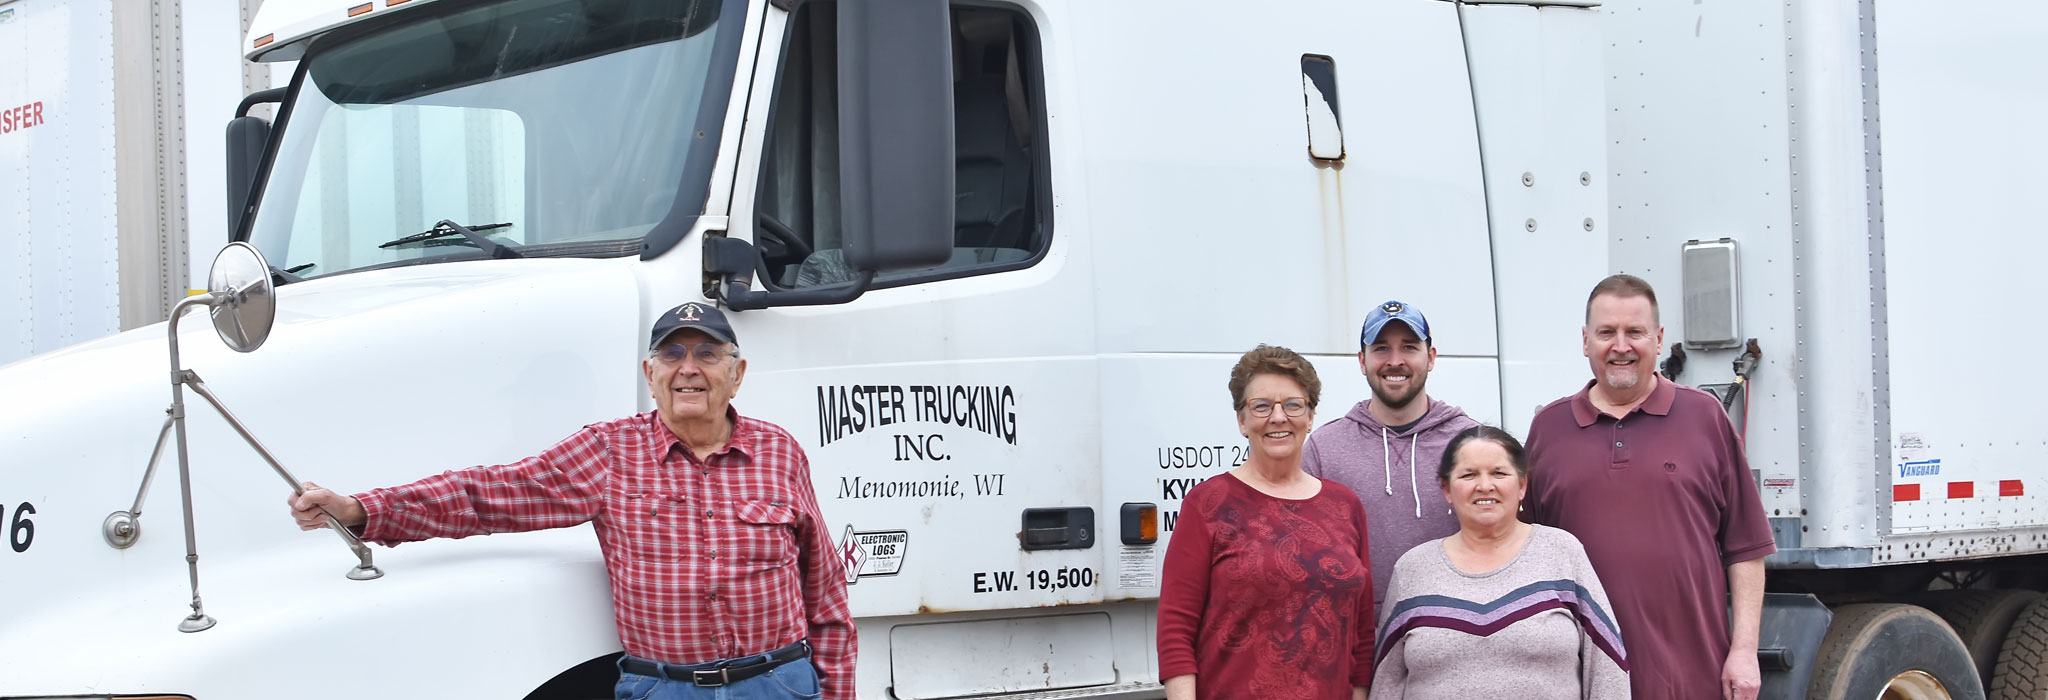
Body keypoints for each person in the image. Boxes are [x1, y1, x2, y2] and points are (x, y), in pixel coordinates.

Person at [287, 302, 855, 700]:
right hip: (665, 689)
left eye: (708, 354)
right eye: (672, 355)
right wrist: (363, 510)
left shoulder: (780, 452)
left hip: (780, 685)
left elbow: (825, 593)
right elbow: (488, 495)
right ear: (649, 374)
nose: (689, 368)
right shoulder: (608, 452)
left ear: (737, 374)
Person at [1525, 274, 1775, 700]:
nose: (1620, 346)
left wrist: (1745, 651)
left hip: (1690, 676)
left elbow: (1746, 548)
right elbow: (1522, 553)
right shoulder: (1549, 428)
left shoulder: (1705, 417)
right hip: (1579, 680)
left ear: (1658, 340)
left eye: (1634, 332)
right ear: (1586, 341)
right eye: (1607, 332)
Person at [1158, 345, 1373, 700]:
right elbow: (1175, 628)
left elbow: (1363, 634)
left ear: (1310, 416)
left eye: (1293, 404)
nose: (1278, 417)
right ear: (1242, 421)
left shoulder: (1345, 505)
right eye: (1261, 406)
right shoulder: (1208, 504)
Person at [1371, 426, 1629, 699]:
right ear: (1446, 489)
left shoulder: (1561, 552)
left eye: (1499, 473)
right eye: (1469, 474)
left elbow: (1607, 667)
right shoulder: (1413, 569)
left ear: (1522, 485)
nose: (1484, 485)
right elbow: (1387, 684)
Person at [1304, 300, 1479, 622]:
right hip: (1356, 645)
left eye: (1409, 347)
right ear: (1362, 360)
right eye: (1381, 348)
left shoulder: (1474, 442)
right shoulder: (1323, 449)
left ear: (1431, 357)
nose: (1395, 361)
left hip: (1454, 636)